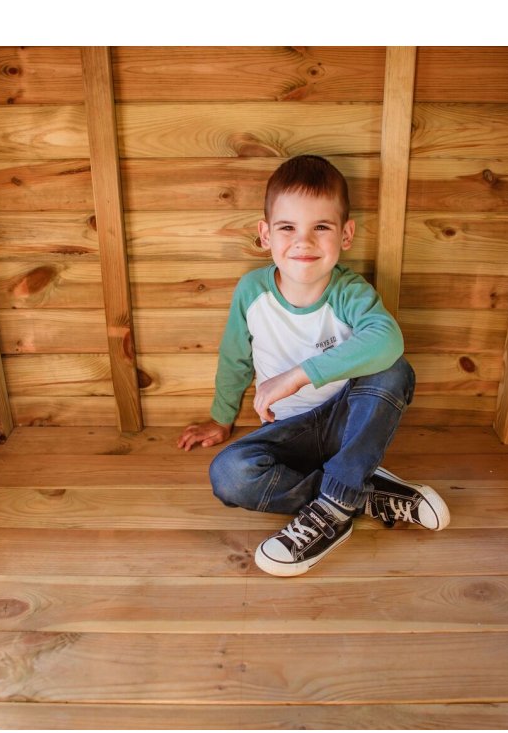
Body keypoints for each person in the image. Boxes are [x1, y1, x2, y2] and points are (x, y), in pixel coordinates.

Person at [177, 155, 448, 576]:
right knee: (230, 475)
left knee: (394, 369)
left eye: (321, 227)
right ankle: (357, 494)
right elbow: (235, 359)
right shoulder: (252, 292)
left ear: (346, 234)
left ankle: (333, 509)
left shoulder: (349, 292)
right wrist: (221, 418)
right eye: (287, 227)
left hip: (347, 425)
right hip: (288, 434)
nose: (303, 242)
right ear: (265, 235)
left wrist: (296, 376)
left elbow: (387, 339)